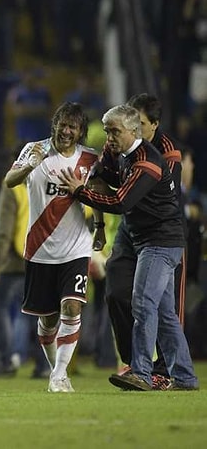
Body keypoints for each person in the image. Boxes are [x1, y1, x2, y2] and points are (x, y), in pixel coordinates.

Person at [59, 104, 199, 391]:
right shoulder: (117, 154)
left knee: (143, 303)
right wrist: (97, 223)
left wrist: (79, 192)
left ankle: (142, 372)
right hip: (143, 238)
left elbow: (120, 203)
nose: (109, 137)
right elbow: (99, 177)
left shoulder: (147, 161)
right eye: (107, 130)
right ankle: (185, 377)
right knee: (164, 314)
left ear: (135, 132)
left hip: (161, 240)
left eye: (115, 131)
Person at [4, 102, 103, 393]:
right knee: (47, 320)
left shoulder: (89, 159)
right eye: (63, 124)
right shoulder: (34, 149)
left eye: (73, 127)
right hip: (40, 249)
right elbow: (10, 181)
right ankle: (55, 370)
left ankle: (59, 374)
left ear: (80, 131)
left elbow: (95, 193)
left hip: (76, 248)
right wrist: (28, 167)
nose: (67, 131)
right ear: (55, 124)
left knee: (71, 307)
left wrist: (98, 227)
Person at [101, 94, 185, 389]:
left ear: (149, 126)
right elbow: (104, 173)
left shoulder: (162, 155)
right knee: (128, 297)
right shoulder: (120, 146)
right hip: (135, 229)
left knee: (151, 305)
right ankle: (179, 374)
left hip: (160, 233)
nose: (112, 136)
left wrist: (81, 192)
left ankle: (149, 371)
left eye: (141, 123)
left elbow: (128, 200)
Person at [0, 151, 47, 379]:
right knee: (37, 312)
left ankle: (6, 361)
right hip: (39, 257)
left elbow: (4, 228)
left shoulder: (12, 186)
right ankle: (43, 365)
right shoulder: (42, 183)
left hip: (13, 261)